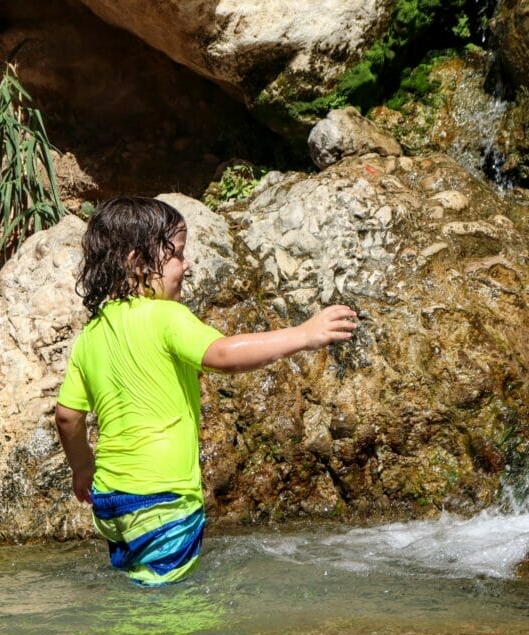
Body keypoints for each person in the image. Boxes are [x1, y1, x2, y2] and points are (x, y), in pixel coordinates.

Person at [55, 196, 357, 586]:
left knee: (141, 584)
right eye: (178, 255)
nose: (188, 265)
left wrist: (82, 467)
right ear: (137, 263)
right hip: (163, 498)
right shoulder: (166, 316)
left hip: (111, 499)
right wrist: (303, 334)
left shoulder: (90, 336)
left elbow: (67, 416)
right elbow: (223, 354)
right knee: (166, 605)